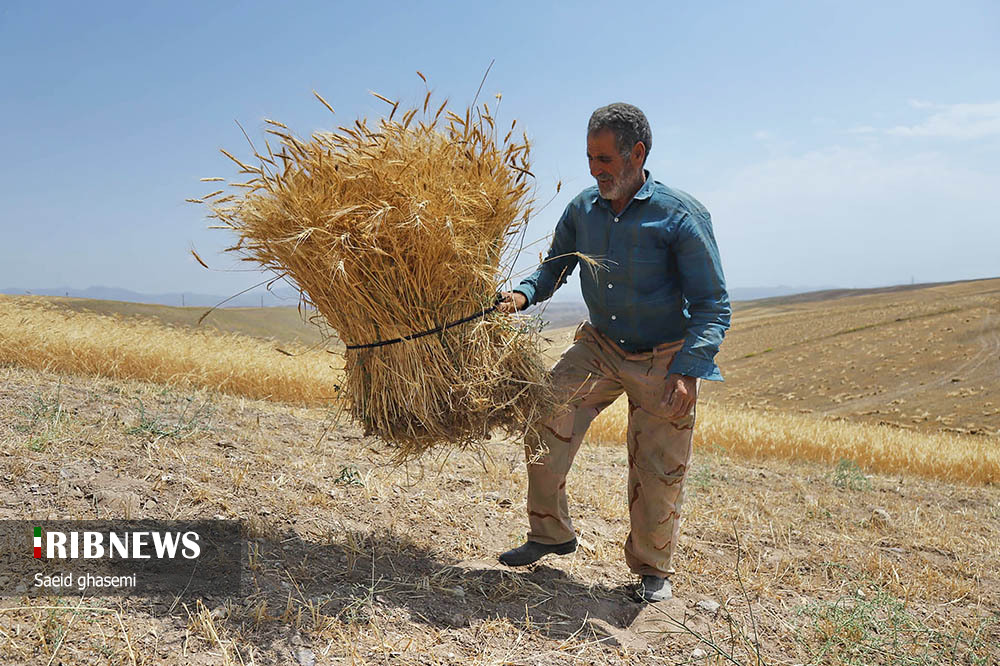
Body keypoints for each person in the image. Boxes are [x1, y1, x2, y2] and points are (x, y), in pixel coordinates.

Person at [496, 103, 730, 602]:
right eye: (590, 158)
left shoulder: (681, 215)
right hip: (599, 347)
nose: (595, 169)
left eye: (604, 158)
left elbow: (713, 304)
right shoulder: (582, 209)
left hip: (664, 358)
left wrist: (688, 371)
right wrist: (519, 295)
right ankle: (549, 535)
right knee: (545, 416)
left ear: (636, 153)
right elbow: (553, 268)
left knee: (658, 467)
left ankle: (652, 570)